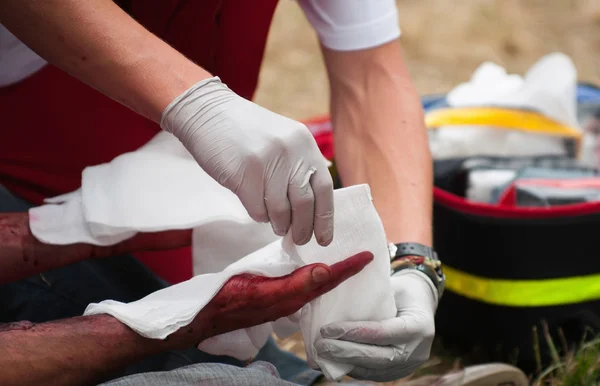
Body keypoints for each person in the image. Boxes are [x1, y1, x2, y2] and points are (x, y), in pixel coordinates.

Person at [0, 1, 528, 385]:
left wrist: (411, 262)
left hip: (157, 217)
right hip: (22, 190)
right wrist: (195, 103)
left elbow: (370, 76)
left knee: (217, 337)